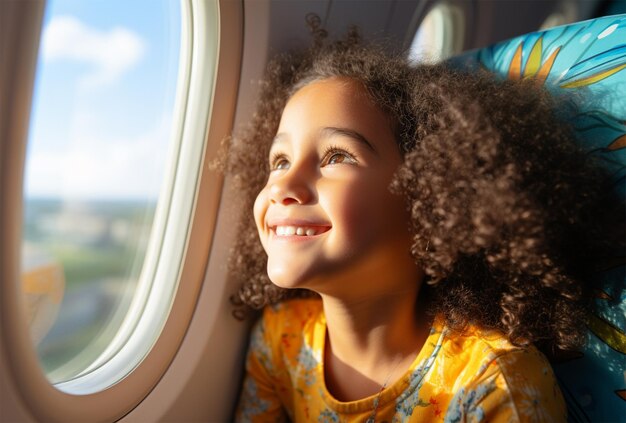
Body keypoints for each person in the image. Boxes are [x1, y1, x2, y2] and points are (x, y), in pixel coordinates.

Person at [222, 30, 624, 422]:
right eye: (279, 161)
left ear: (430, 197)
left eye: (337, 157)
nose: (283, 186)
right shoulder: (281, 342)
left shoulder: (494, 384)